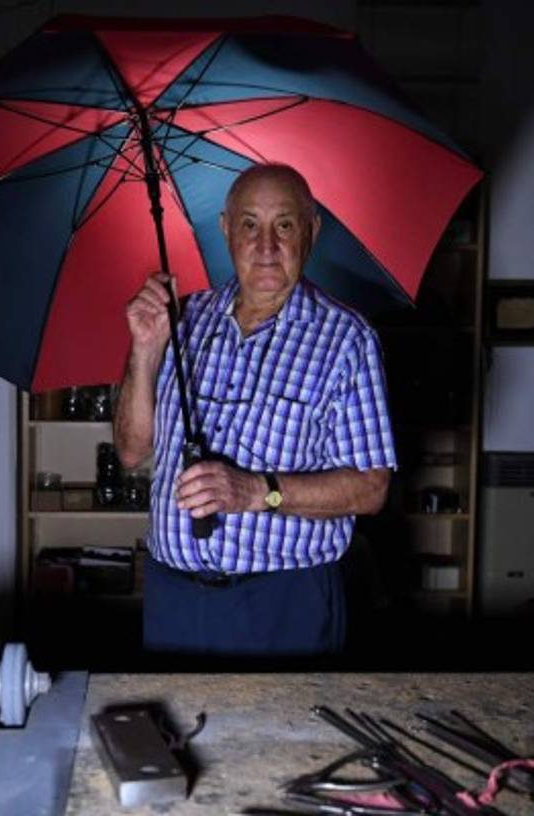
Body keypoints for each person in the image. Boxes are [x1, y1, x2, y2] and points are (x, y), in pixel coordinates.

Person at [113, 163, 396, 658]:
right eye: (249, 225)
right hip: (172, 597)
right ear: (226, 229)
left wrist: (256, 492)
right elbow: (132, 450)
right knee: (170, 712)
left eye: (284, 225)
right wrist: (144, 350)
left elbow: (372, 488)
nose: (266, 246)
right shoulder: (184, 319)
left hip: (283, 602)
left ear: (312, 231)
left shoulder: (347, 340)